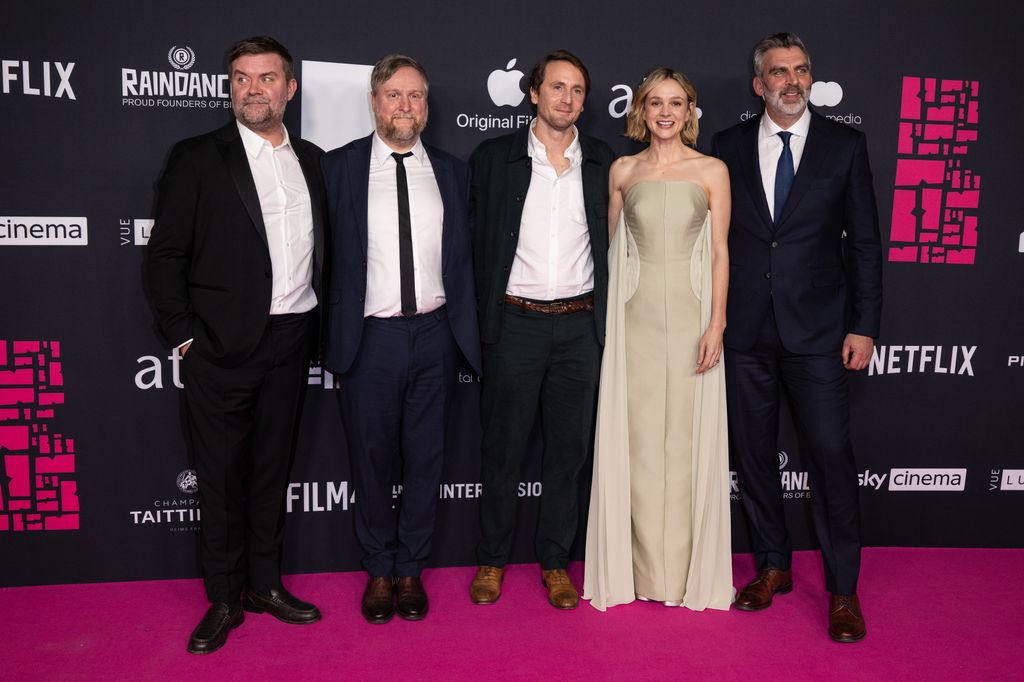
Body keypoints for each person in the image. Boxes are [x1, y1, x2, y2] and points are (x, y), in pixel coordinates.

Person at [145, 36, 324, 654]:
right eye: (242, 78)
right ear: (230, 87)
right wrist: (184, 337)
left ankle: (265, 585)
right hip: (219, 347)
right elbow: (165, 255)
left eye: (266, 78)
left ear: (289, 89)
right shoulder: (198, 157)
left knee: (272, 471)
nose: (253, 89)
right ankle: (223, 597)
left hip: (293, 337)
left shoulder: (313, 160)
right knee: (220, 479)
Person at [710, 32, 882, 642]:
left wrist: (864, 324)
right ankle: (773, 566)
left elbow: (865, 244)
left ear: (811, 78)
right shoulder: (727, 146)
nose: (792, 81)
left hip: (820, 333)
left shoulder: (845, 145)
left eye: (801, 70)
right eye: (779, 72)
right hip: (746, 332)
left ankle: (843, 589)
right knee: (754, 457)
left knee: (831, 458)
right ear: (759, 84)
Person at [321, 54, 481, 625]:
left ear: (426, 105)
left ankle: (410, 569)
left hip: (436, 335)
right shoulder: (338, 168)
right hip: (369, 338)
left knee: (426, 458)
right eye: (394, 95)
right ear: (374, 102)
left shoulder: (453, 172)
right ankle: (379, 570)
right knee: (371, 461)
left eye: (415, 96)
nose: (405, 106)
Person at [469, 50, 615, 610]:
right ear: (533, 93)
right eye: (557, 87)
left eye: (577, 90)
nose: (567, 99)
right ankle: (491, 559)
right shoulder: (493, 158)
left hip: (579, 327)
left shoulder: (602, 161)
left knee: (568, 455)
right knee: (502, 451)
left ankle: (556, 562)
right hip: (515, 323)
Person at [584, 67, 733, 611]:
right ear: (642, 111)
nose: (665, 112)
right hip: (636, 322)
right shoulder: (623, 170)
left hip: (694, 320)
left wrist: (716, 323)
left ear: (690, 111)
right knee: (640, 442)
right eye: (655, 103)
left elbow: (720, 253)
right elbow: (613, 252)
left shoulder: (712, 170)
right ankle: (640, 572)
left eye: (676, 103)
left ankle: (687, 573)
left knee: (687, 443)